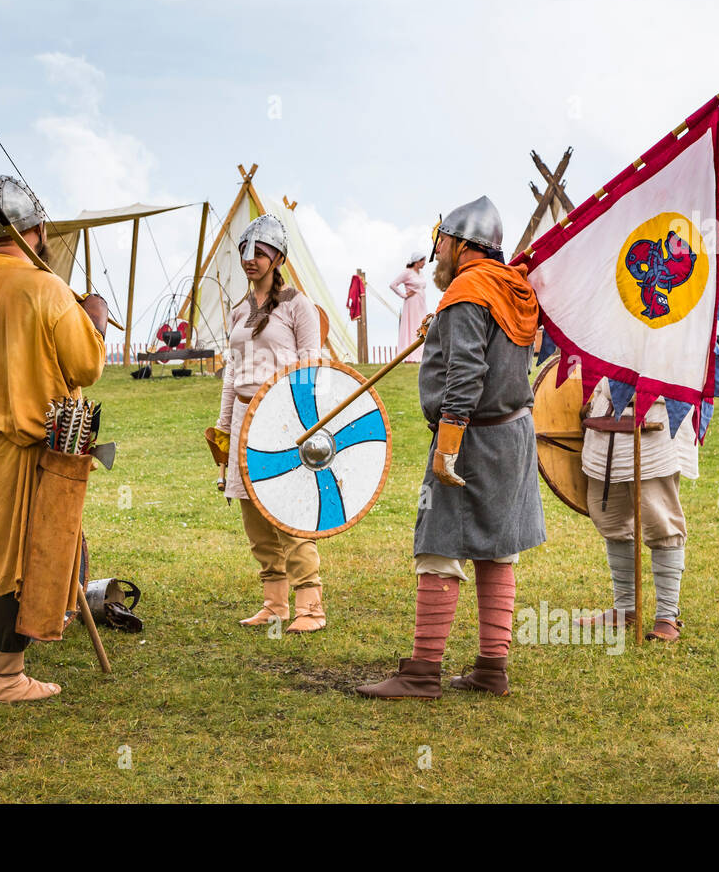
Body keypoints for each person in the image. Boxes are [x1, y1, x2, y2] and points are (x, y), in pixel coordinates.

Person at [356, 196, 544, 699]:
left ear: (460, 245)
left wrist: (447, 446)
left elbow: (466, 374)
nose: (435, 251)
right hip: (514, 435)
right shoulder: (512, 286)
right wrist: (439, 327)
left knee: (439, 546)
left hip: (473, 437)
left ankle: (421, 674)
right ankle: (490, 670)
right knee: (497, 550)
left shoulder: (467, 291)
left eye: (440, 241)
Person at [0, 175, 107, 703]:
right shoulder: (45, 286)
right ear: (33, 229)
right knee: (18, 564)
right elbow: (86, 365)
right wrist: (92, 322)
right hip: (23, 446)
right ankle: (7, 678)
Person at [214, 214, 327, 634]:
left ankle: (311, 607)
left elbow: (311, 366)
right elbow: (232, 372)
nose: (251, 259)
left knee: (288, 511)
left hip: (282, 419)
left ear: (277, 257)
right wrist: (224, 427)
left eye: (260, 252)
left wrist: (304, 422)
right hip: (244, 417)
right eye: (246, 251)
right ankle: (275, 603)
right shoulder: (239, 311)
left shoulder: (298, 306)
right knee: (254, 515)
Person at [572, 382, 697, 640]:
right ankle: (625, 609)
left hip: (656, 419)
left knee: (661, 521)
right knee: (612, 519)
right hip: (605, 421)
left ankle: (667, 616)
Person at [389, 252, 428, 362]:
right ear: (416, 261)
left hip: (421, 303)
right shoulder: (407, 272)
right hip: (411, 304)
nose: (424, 263)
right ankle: (410, 355)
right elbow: (393, 284)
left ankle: (421, 354)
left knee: (422, 325)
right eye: (422, 261)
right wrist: (404, 295)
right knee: (412, 326)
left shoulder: (420, 273)